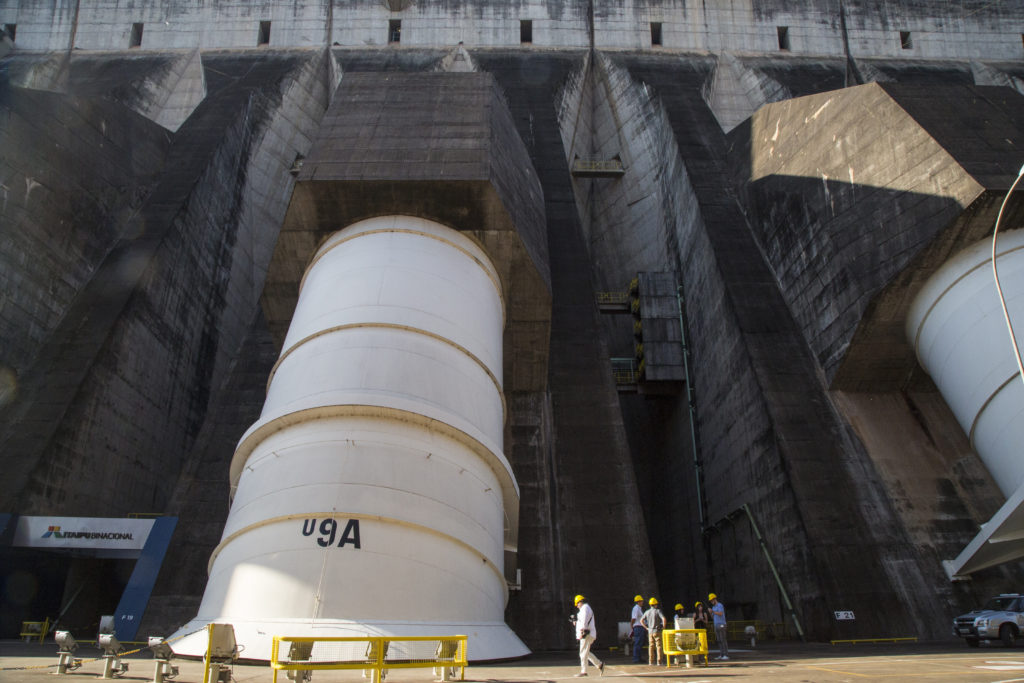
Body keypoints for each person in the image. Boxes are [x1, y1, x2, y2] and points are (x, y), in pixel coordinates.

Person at [573, 594, 604, 677]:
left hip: (586, 634)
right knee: (586, 652)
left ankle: (584, 671)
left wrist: (582, 632)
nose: (577, 606)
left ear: (580, 602)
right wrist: (576, 623)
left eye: (577, 604)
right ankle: (599, 664)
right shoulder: (585, 608)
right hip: (587, 633)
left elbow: (584, 621)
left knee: (583, 653)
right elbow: (583, 620)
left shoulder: (585, 608)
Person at [641, 597, 666, 666]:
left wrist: (646, 628)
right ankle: (659, 661)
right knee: (659, 646)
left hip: (650, 631)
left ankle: (651, 661)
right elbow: (663, 619)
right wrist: (663, 627)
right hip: (657, 631)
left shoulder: (647, 612)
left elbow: (641, 620)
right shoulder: (658, 611)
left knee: (651, 646)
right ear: (655, 604)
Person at [709, 593, 728, 660]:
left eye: (712, 600)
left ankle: (725, 654)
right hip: (716, 624)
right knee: (719, 640)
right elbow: (713, 617)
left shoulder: (720, 605)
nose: (711, 602)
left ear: (714, 599)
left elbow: (720, 613)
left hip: (722, 624)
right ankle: (721, 654)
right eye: (710, 601)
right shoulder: (713, 607)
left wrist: (713, 611)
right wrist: (711, 613)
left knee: (723, 639)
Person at [629, 594, 645, 663]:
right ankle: (636, 658)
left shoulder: (639, 608)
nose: (642, 602)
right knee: (637, 643)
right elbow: (633, 618)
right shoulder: (636, 608)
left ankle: (639, 657)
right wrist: (632, 625)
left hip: (640, 627)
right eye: (641, 601)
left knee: (640, 643)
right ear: (638, 601)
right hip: (638, 627)